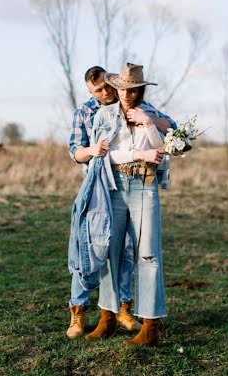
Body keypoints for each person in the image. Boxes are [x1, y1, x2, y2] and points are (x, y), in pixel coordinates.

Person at [66, 65, 176, 338]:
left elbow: (171, 136)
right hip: (108, 186)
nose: (118, 93)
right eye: (120, 88)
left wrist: (149, 122)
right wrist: (139, 153)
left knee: (146, 254)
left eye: (131, 89)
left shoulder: (147, 110)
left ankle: (148, 323)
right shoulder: (97, 114)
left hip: (144, 185)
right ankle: (101, 316)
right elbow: (93, 154)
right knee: (103, 250)